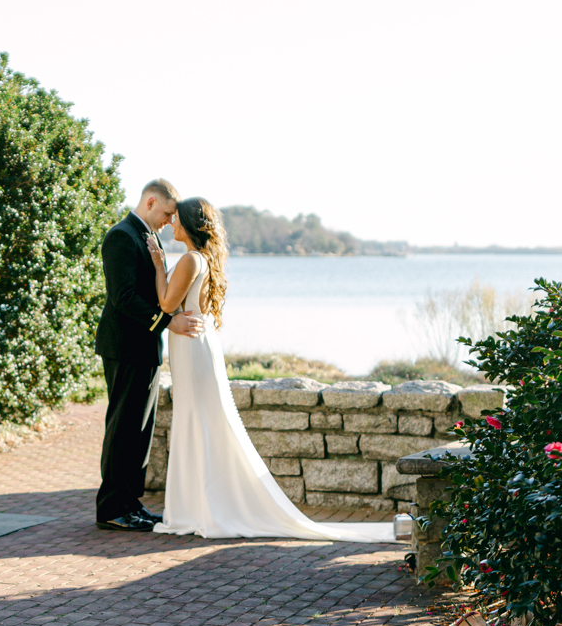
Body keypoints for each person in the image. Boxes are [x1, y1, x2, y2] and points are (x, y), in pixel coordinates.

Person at [146, 197, 395, 542]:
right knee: (198, 423)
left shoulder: (189, 259)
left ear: (188, 225)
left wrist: (159, 264)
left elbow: (167, 304)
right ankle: (196, 507)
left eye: (176, 220)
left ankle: (199, 510)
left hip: (192, 349)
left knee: (197, 423)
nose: (171, 224)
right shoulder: (199, 258)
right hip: (195, 347)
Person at [94, 180, 205, 531]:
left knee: (140, 432)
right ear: (151, 201)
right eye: (167, 213)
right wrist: (167, 322)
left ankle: (131, 503)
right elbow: (123, 296)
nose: (170, 221)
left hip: (144, 348)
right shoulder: (121, 236)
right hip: (124, 347)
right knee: (123, 428)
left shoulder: (148, 236)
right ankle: (112, 508)